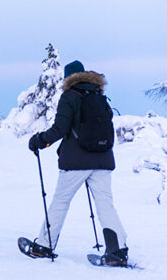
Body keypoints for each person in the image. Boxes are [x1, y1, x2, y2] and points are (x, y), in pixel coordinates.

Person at [27, 60, 129, 266]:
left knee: (61, 202)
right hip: (102, 159)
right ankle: (117, 251)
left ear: (68, 78)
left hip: (76, 161)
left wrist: (39, 141)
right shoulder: (99, 96)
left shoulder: (70, 96)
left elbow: (60, 128)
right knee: (106, 205)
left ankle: (44, 246)